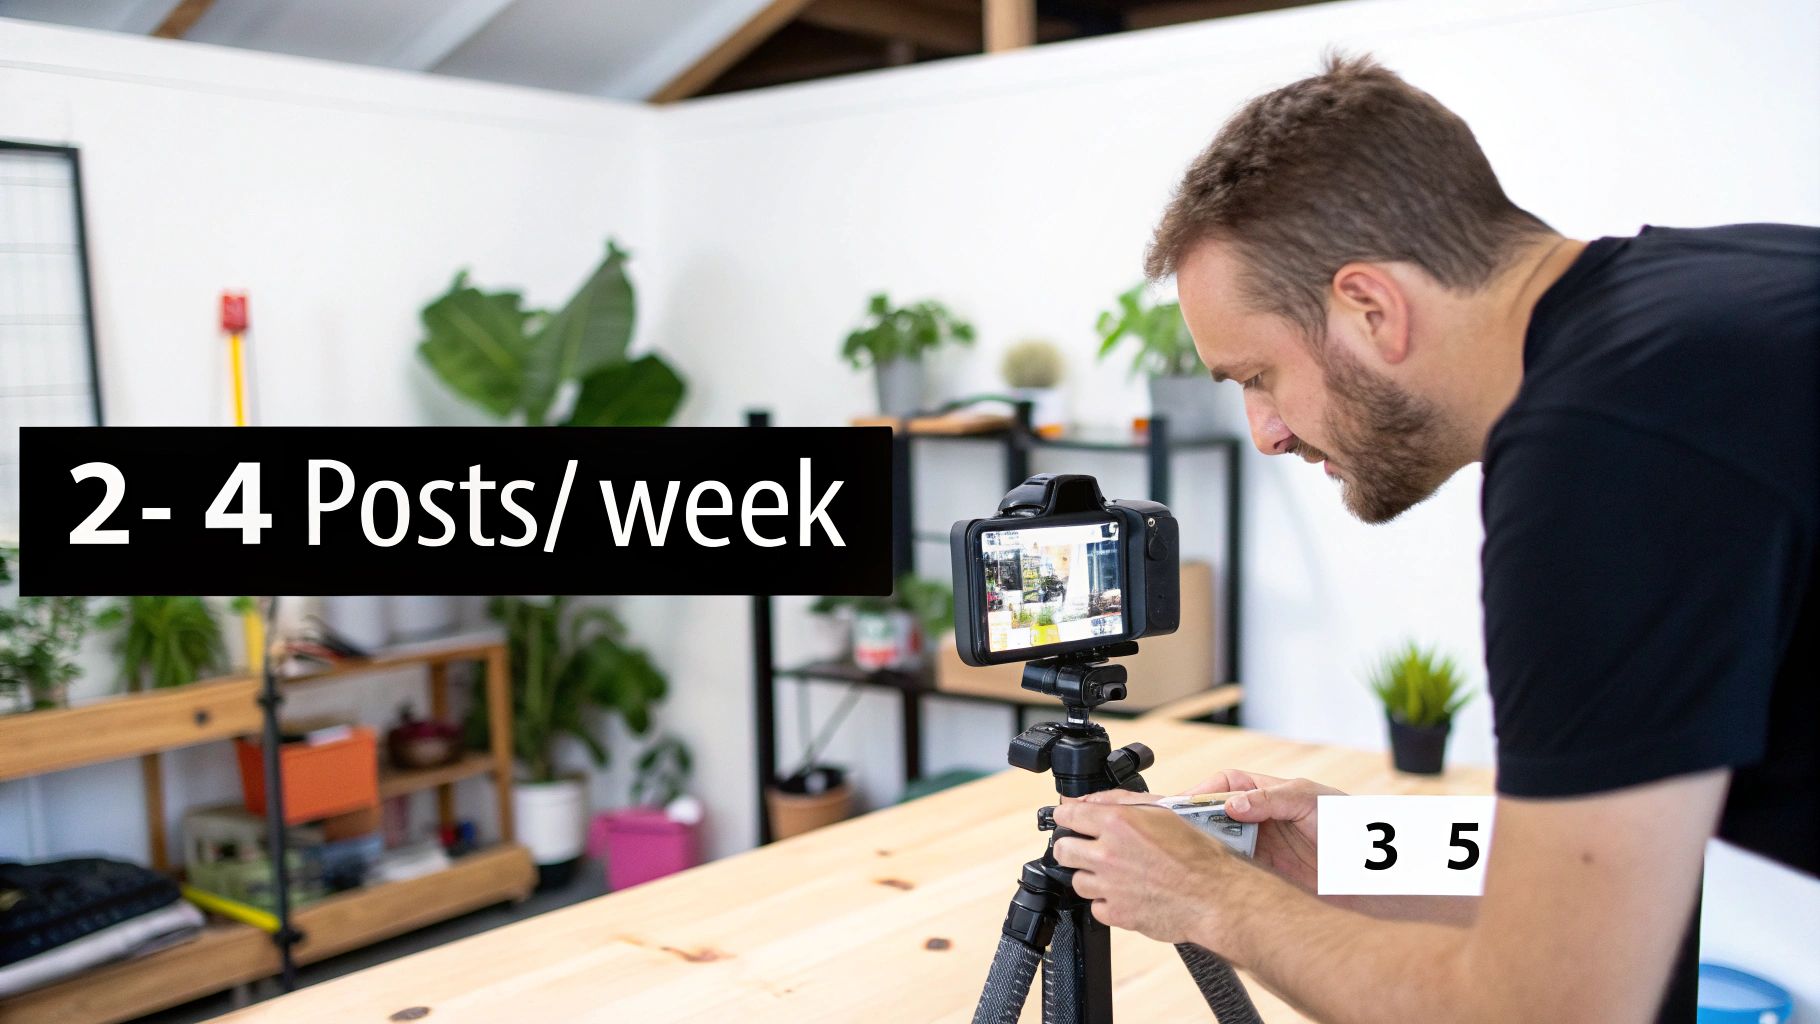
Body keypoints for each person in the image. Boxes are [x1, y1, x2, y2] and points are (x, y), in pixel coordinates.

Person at [1050, 52, 1819, 1023]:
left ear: (1369, 308)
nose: (1265, 432)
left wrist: (1212, 896)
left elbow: (1553, 1008)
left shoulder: (1598, 457)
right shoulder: (1703, 301)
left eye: (1254, 376)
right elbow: (1603, 863)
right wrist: (1353, 841)